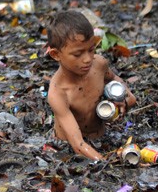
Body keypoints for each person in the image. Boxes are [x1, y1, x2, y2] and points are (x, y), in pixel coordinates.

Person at [45, 10, 137, 161]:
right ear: (56, 54)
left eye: (91, 49)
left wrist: (123, 100)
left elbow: (119, 84)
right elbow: (77, 144)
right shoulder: (58, 93)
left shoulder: (98, 65)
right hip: (68, 148)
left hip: (101, 138)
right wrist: (105, 163)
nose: (88, 59)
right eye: (77, 54)